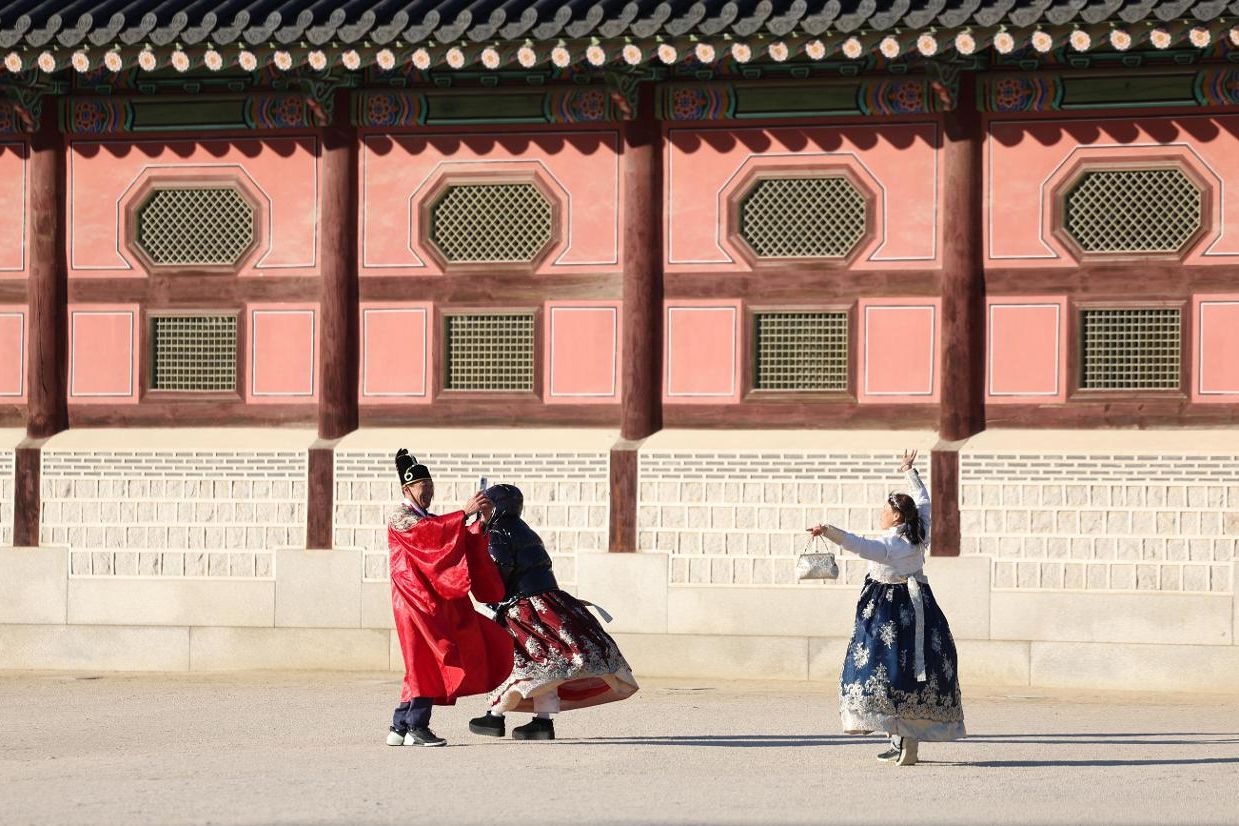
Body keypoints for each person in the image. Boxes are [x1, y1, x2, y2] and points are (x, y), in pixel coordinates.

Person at [808, 449, 965, 766]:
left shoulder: (890, 544)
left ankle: (899, 738)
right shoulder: (919, 532)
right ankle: (906, 739)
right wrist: (910, 470)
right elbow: (924, 502)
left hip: (887, 612)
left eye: (885, 510)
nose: (881, 514)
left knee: (884, 671)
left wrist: (828, 530)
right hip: (921, 607)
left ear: (895, 516)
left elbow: (858, 544)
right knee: (912, 673)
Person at [468, 483, 638, 741]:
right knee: (549, 662)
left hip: (522, 606)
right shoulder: (526, 530)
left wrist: (491, 598)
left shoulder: (498, 532)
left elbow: (500, 569)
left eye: (487, 507)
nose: (483, 513)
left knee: (517, 658)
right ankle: (542, 722)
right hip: (549, 601)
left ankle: (495, 716)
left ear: (498, 507)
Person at [385, 449, 514, 747]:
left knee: (420, 662)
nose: (427, 492)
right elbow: (432, 534)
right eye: (421, 487)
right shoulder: (400, 517)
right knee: (430, 659)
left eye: (430, 487)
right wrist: (463, 513)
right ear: (407, 489)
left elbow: (454, 538)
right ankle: (417, 726)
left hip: (427, 601)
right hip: (412, 601)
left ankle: (400, 725)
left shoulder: (424, 517)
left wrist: (479, 523)